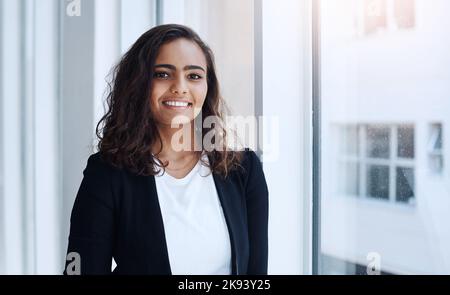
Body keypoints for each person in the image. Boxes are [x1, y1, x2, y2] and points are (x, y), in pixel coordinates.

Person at [64, 24, 268, 275]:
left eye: (194, 76)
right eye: (162, 74)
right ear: (139, 83)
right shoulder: (108, 173)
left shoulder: (243, 169)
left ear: (207, 87)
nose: (180, 87)